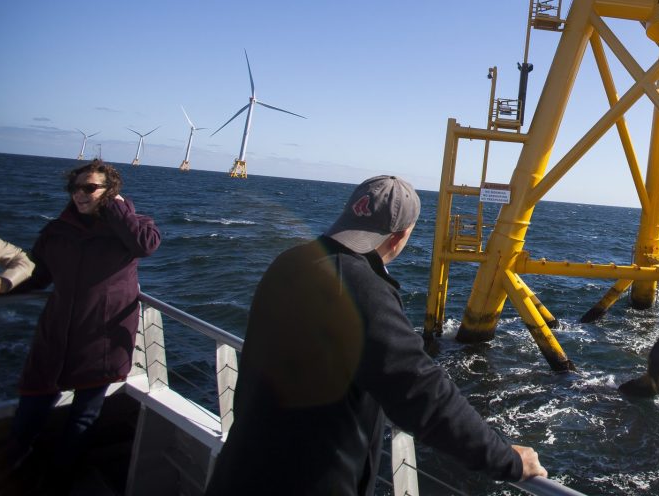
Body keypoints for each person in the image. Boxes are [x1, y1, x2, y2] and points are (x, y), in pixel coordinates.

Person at [206, 175, 546, 496]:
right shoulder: (362, 290)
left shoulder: (289, 262)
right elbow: (422, 392)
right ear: (400, 237)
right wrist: (508, 459)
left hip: (238, 471)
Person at [9, 161, 161, 470]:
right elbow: (37, 275)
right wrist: (3, 284)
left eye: (89, 188)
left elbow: (145, 246)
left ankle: (59, 479)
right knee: (32, 405)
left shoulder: (134, 228)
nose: (80, 194)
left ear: (110, 192)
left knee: (84, 418)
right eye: (74, 188)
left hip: (101, 338)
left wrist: (119, 209)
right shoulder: (57, 231)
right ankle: (11, 467)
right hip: (56, 333)